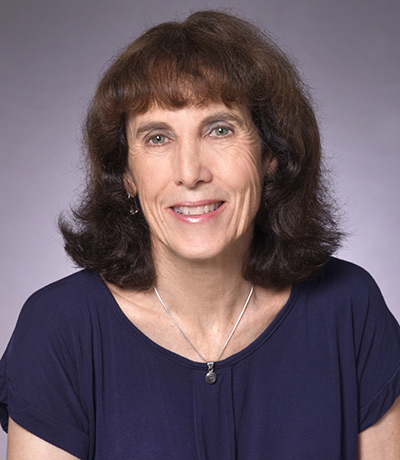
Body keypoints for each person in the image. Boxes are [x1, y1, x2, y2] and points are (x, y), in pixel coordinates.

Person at [1, 9, 399, 460]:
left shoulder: (350, 309)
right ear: (126, 175)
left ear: (271, 154)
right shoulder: (60, 330)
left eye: (220, 129)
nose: (190, 173)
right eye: (157, 138)